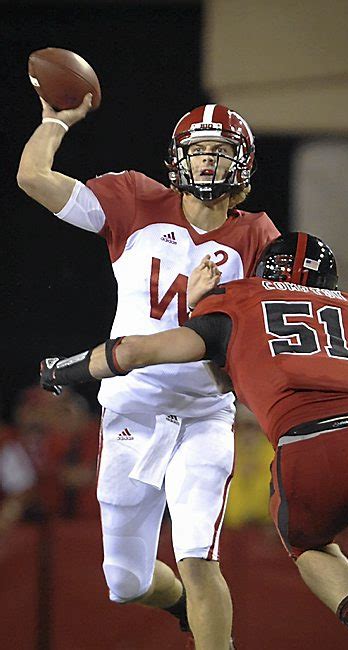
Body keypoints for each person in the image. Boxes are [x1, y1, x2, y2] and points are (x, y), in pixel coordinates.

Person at [41, 232, 348, 650]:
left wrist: (62, 370)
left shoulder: (238, 301)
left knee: (308, 544)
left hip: (306, 443)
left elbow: (136, 352)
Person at [17, 95, 279, 649]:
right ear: (178, 158)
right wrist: (55, 119)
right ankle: (186, 607)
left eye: (220, 150)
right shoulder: (135, 199)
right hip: (131, 410)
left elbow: (265, 338)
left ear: (244, 164)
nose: (208, 160)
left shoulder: (259, 236)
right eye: (199, 150)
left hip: (205, 415)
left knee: (199, 559)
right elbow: (32, 177)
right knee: (126, 581)